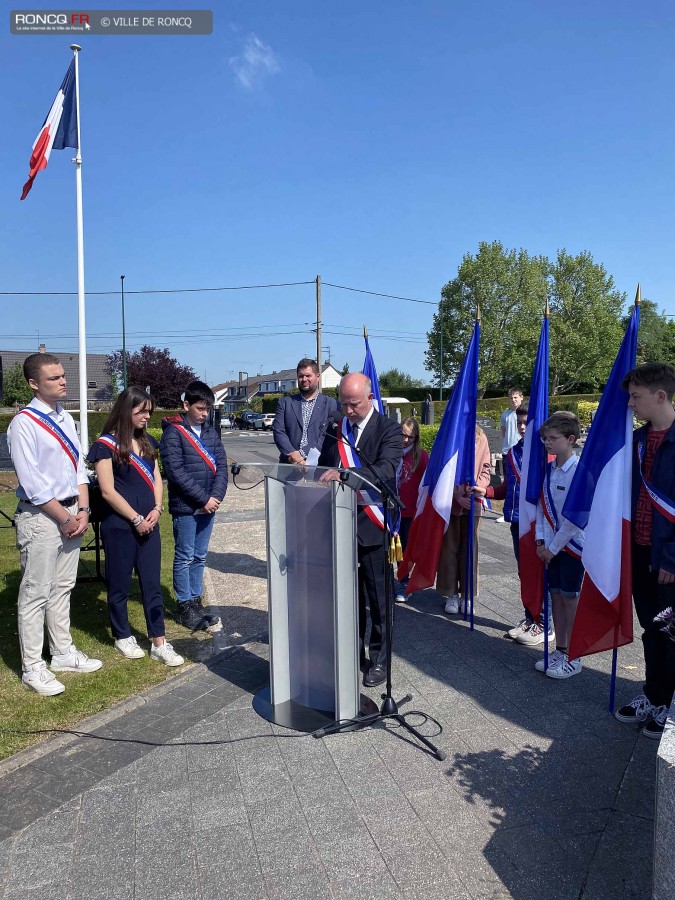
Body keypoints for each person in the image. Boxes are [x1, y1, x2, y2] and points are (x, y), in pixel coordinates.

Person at [7, 352, 102, 696]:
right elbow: (33, 483)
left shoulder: (68, 420)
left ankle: (62, 652)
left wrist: (84, 512)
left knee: (63, 587)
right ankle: (33, 665)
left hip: (73, 512)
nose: (63, 381)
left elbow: (78, 469)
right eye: (54, 378)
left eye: (63, 376)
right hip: (42, 517)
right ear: (34, 383)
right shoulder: (24, 424)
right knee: (35, 592)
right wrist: (64, 518)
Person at [87, 386, 184, 666]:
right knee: (118, 584)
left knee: (152, 583)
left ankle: (159, 641)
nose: (147, 416)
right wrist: (135, 518)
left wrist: (156, 509)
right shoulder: (105, 445)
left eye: (150, 411)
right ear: (126, 410)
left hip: (150, 524)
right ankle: (122, 635)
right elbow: (107, 490)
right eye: (142, 411)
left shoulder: (149, 442)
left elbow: (157, 479)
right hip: (120, 525)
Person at [318, 373, 403, 687]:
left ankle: (379, 659)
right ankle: (352, 651)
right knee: (348, 598)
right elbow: (322, 466)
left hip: (374, 524)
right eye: (343, 404)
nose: (348, 411)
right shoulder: (335, 428)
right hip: (339, 524)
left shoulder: (389, 430)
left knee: (378, 599)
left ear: (369, 398)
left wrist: (344, 473)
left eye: (353, 404)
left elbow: (386, 469)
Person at [615, 363, 675, 739]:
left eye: (636, 397)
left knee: (671, 634)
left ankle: (668, 704)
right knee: (651, 630)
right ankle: (653, 695)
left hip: (668, 560)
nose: (631, 404)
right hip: (639, 552)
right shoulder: (635, 441)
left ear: (660, 396)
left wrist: (672, 557)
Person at [472, 404, 553, 643]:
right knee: (524, 572)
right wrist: (485, 491)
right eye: (518, 423)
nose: (521, 427)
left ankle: (545, 624)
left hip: (538, 524)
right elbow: (506, 489)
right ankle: (530, 617)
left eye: (526, 422)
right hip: (517, 521)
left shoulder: (544, 453)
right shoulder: (514, 452)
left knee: (540, 573)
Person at [160, 381, 227, 631]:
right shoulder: (173, 433)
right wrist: (203, 499)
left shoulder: (210, 432)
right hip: (187, 506)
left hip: (209, 505)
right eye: (200, 408)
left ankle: (197, 599)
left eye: (208, 409)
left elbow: (222, 465)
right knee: (185, 556)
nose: (204, 413)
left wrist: (216, 497)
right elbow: (175, 472)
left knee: (200, 556)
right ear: (186, 405)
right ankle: (185, 604)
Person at [533, 412, 584, 679]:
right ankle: (561, 648)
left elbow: (574, 518)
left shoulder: (578, 471)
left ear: (570, 439)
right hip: (551, 547)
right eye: (544, 439)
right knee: (555, 596)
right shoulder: (550, 470)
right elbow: (543, 508)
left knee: (570, 599)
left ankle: (574, 655)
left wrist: (552, 547)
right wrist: (541, 541)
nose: (547, 443)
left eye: (552, 439)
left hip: (572, 546)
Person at [437, 426, 492, 615]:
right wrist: (456, 496)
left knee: (470, 550)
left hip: (473, 501)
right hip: (451, 503)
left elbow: (486, 468)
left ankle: (467, 594)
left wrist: (479, 486)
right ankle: (450, 592)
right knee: (449, 549)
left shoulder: (481, 437)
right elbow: (443, 468)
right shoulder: (449, 434)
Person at [273, 358, 340, 465]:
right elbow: (278, 431)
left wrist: (306, 456)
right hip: (289, 466)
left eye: (308, 375)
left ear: (318, 377)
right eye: (300, 376)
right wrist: (293, 455)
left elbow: (328, 436)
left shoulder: (332, 404)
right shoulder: (285, 403)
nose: (304, 379)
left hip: (320, 467)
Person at [395, 417, 429, 602]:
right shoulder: (392, 452)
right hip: (392, 509)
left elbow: (426, 484)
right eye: (403, 435)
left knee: (406, 548)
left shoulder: (421, 456)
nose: (405, 440)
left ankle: (404, 582)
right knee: (393, 548)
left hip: (410, 511)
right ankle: (398, 577)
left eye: (410, 437)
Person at [496, 388, 524, 523]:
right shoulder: (505, 415)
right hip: (508, 452)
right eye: (511, 398)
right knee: (508, 481)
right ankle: (507, 510)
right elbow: (503, 432)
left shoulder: (524, 415)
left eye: (516, 397)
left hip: (521, 452)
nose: (513, 400)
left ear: (521, 398)